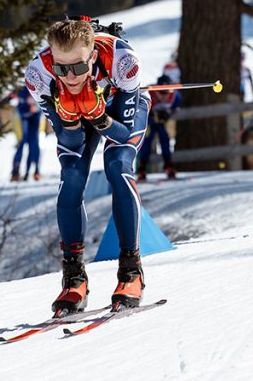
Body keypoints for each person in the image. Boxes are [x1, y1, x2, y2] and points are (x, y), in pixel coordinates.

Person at [24, 18, 151, 313]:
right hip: (79, 116)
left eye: (79, 67)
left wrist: (98, 116)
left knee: (117, 166)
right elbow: (70, 141)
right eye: (61, 68)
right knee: (71, 176)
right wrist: (69, 119)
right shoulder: (38, 74)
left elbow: (123, 130)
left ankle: (131, 271)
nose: (69, 76)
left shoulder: (123, 62)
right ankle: (74, 278)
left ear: (92, 56)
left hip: (116, 111)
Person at [137, 74, 182, 180]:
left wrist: (168, 113)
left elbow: (176, 107)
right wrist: (151, 114)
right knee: (147, 141)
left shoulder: (175, 96)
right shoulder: (149, 91)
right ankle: (142, 168)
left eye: (167, 93)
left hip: (161, 122)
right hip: (149, 122)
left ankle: (168, 165)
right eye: (161, 93)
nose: (163, 96)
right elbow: (139, 105)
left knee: (165, 139)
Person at [10, 86, 43, 182]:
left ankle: (35, 170)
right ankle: (15, 172)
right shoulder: (22, 91)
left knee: (34, 144)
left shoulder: (40, 88)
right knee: (22, 142)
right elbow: (14, 100)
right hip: (22, 118)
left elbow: (43, 103)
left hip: (35, 118)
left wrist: (36, 107)